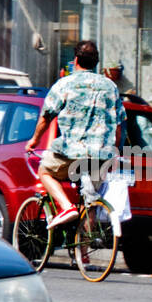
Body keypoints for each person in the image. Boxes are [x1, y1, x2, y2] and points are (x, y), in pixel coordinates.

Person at [24, 39, 124, 230]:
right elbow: (118, 125)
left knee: (45, 172)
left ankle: (66, 207)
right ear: (96, 63)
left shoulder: (64, 84)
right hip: (101, 154)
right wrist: (114, 152)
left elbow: (47, 116)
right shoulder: (110, 87)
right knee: (90, 200)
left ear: (75, 59)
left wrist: (34, 140)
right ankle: (84, 255)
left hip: (71, 152)